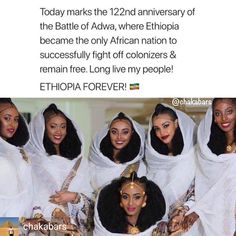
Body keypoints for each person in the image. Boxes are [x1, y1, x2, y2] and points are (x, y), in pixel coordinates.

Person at [25, 103, 94, 235]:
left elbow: (90, 201)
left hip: (75, 229)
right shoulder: (31, 160)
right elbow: (31, 197)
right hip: (44, 228)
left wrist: (74, 197)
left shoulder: (80, 162)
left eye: (63, 127)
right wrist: (55, 211)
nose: (59, 132)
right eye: (53, 126)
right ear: (42, 128)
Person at [182, 98, 236, 236]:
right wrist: (197, 211)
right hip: (214, 215)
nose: (224, 118)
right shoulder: (209, 149)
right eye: (218, 114)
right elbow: (206, 187)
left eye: (229, 111)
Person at [145, 103, 197, 235]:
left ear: (177, 123)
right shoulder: (154, 158)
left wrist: (181, 212)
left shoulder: (193, 155)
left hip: (189, 222)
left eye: (166, 125)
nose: (161, 132)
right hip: (157, 225)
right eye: (156, 129)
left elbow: (201, 188)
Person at [89, 112, 146, 194]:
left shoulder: (139, 167)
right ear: (108, 133)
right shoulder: (96, 161)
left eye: (125, 132)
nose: (119, 137)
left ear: (132, 133)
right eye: (114, 132)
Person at [94, 172, 166, 235]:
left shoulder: (158, 228)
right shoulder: (107, 230)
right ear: (120, 199)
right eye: (125, 197)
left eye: (137, 197)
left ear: (144, 199)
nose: (130, 203)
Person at [0, 98, 33, 217]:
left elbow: (29, 191)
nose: (12, 124)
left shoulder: (18, 152)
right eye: (7, 118)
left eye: (16, 119)